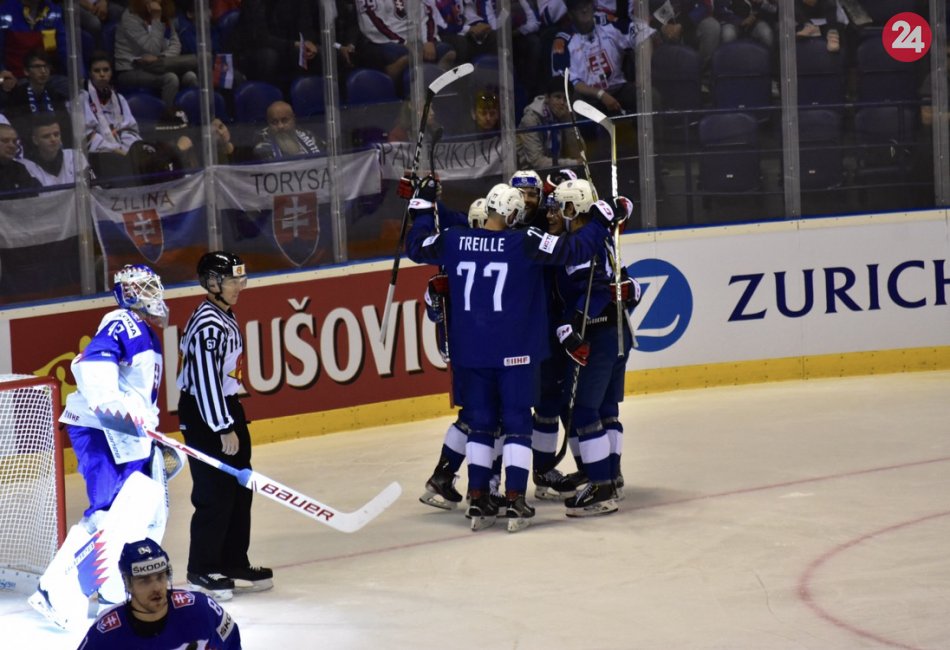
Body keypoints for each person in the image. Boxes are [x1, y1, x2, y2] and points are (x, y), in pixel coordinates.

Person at [405, 175, 627, 532]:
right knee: (517, 425)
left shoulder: (456, 240)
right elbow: (575, 249)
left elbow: (416, 246)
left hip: (471, 353)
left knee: (480, 424)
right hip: (516, 352)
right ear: (511, 215)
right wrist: (601, 220)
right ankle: (514, 500)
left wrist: (422, 205)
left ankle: (478, 499)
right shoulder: (524, 242)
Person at [28, 265, 176, 631]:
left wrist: (147, 432)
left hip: (125, 435)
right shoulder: (123, 321)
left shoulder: (144, 330)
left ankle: (111, 589)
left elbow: (135, 397)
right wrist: (122, 415)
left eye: (153, 287)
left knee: (137, 509)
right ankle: (53, 590)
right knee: (107, 513)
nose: (153, 294)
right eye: (144, 288)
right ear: (127, 293)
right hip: (103, 430)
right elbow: (93, 367)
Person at [177, 251, 273, 600]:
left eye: (240, 279)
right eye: (232, 280)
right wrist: (222, 425)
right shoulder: (209, 324)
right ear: (212, 283)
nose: (239, 286)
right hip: (206, 415)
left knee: (239, 489)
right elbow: (204, 380)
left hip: (225, 408)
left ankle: (232, 561)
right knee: (214, 494)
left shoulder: (222, 314)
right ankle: (202, 569)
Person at [551, 178, 638, 515]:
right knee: (605, 410)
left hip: (599, 335)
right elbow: (618, 285)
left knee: (586, 410)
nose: (557, 213)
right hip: (616, 333)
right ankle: (611, 477)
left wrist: (574, 321)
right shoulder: (603, 238)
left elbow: (599, 291)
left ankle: (601, 486)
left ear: (573, 208)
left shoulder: (582, 245)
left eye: (562, 206)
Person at [77, 537, 242, 649]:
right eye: (145, 580)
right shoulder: (106, 632)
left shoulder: (201, 609)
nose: (156, 587)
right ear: (128, 584)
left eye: (160, 577)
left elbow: (231, 640)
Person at [552, 0, 656, 115]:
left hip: (618, 88)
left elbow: (644, 35)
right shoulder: (563, 41)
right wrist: (601, 94)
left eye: (587, 4)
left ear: (593, 6)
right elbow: (570, 83)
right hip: (588, 97)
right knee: (575, 102)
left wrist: (643, 75)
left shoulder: (608, 23)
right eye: (578, 7)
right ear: (570, 14)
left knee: (650, 96)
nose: (584, 10)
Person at [114, 0, 199, 107]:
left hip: (159, 65)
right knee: (170, 78)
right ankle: (168, 115)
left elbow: (176, 44)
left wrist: (161, 57)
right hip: (131, 69)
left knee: (190, 76)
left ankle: (195, 113)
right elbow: (152, 49)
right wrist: (156, 19)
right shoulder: (130, 18)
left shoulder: (164, 15)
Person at [517, 75, 583, 171]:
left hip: (554, 169)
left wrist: (568, 121)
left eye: (566, 99)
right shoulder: (531, 119)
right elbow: (537, 162)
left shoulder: (566, 115)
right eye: (558, 97)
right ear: (547, 98)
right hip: (527, 172)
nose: (562, 102)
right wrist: (573, 163)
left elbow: (577, 154)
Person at [22, 112, 91, 186]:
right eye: (46, 136)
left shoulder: (75, 156)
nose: (53, 139)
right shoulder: (26, 166)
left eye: (56, 134)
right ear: (35, 140)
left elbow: (91, 189)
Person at [252, 100, 321, 161]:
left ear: (293, 119)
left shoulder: (308, 135)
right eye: (274, 122)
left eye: (285, 120)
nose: (280, 126)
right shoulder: (262, 148)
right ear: (268, 123)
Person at [0, 121, 41, 196]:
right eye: (5, 141)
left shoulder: (19, 169)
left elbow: (32, 198)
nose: (12, 145)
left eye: (14, 141)